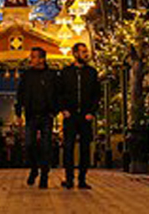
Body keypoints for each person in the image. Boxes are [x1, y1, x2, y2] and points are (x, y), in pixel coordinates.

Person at [57, 42, 100, 189]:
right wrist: (64, 109)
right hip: (71, 115)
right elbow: (59, 93)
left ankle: (82, 179)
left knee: (85, 148)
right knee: (68, 147)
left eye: (86, 51)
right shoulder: (66, 72)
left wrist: (92, 112)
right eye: (82, 52)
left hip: (85, 116)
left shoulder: (91, 72)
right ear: (75, 54)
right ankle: (69, 178)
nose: (85, 54)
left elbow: (96, 94)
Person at [15, 46, 58, 188]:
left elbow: (59, 93)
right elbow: (20, 94)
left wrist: (54, 110)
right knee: (29, 145)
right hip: (31, 115)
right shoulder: (27, 75)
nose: (31, 60)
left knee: (46, 147)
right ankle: (34, 169)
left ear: (42, 59)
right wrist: (18, 113)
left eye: (33, 57)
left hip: (47, 115)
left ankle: (44, 175)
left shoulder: (52, 75)